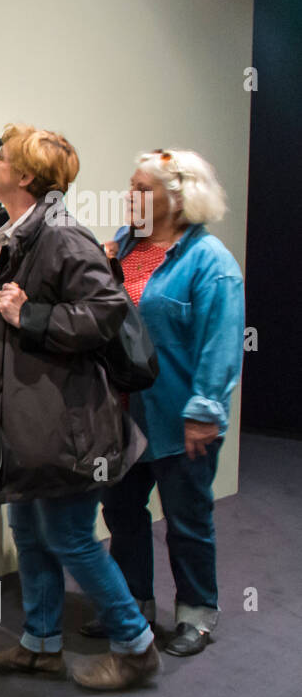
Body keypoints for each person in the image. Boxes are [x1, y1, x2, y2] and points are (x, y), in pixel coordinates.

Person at [0, 123, 158, 691]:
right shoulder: (16, 235)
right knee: (29, 533)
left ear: (25, 175)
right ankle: (41, 644)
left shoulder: (61, 237)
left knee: (72, 537)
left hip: (68, 424)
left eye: (1, 158)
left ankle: (135, 646)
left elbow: (107, 310)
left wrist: (29, 315)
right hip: (31, 420)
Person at [89, 150, 243, 656]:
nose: (129, 196)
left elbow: (220, 345)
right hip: (120, 415)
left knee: (186, 520)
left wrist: (206, 412)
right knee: (123, 513)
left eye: (142, 189)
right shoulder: (124, 248)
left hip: (178, 417)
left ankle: (196, 614)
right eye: (130, 186)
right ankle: (132, 606)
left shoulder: (209, 261)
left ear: (177, 199)